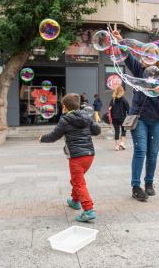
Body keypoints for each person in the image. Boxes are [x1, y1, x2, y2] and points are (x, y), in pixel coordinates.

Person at [113, 30, 159, 201]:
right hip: (139, 117)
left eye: (153, 54)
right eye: (147, 54)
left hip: (157, 119)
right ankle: (136, 186)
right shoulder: (139, 70)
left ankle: (149, 183)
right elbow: (127, 57)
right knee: (141, 150)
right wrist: (121, 41)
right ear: (144, 56)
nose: (150, 56)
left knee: (153, 153)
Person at [39, 93, 101, 222]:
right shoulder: (86, 116)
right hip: (89, 155)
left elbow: (53, 136)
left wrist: (42, 138)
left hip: (76, 157)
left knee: (78, 182)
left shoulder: (65, 119)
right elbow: (97, 131)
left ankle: (88, 210)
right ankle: (74, 200)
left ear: (64, 107)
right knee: (76, 179)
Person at [109, 86, 129, 151]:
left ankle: (117, 146)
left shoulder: (113, 99)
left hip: (114, 118)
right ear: (122, 92)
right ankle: (122, 143)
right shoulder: (124, 99)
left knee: (117, 131)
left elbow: (110, 109)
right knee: (123, 130)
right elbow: (128, 109)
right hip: (122, 118)